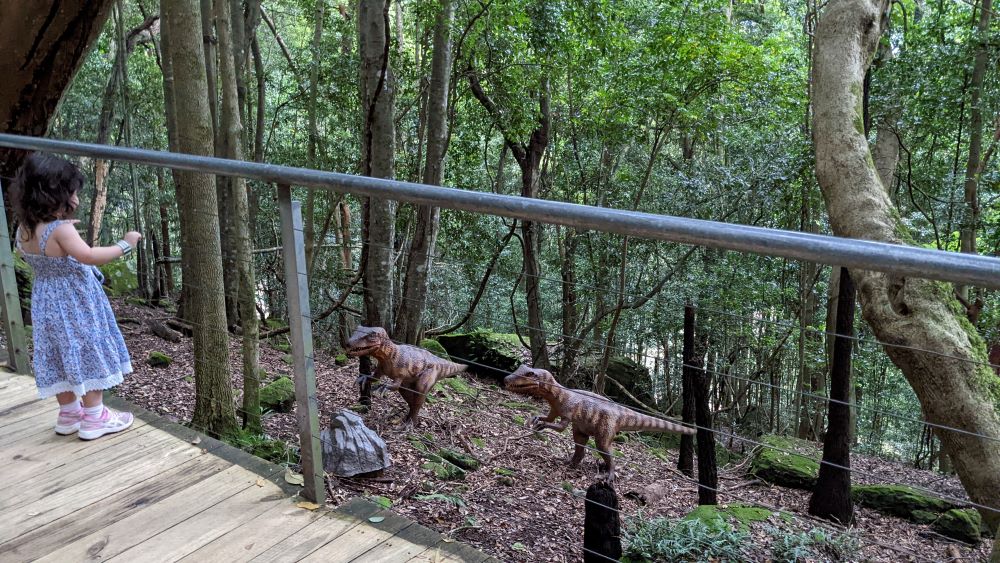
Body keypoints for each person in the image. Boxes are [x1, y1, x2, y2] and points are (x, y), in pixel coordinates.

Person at [10, 153, 141, 440]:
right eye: (72, 194)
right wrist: (125, 244)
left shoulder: (24, 230)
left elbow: (45, 252)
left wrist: (62, 230)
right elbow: (89, 256)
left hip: (46, 300)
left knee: (59, 351)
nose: (77, 200)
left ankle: (69, 413)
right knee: (87, 346)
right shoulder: (61, 230)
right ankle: (95, 417)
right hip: (77, 301)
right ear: (51, 197)